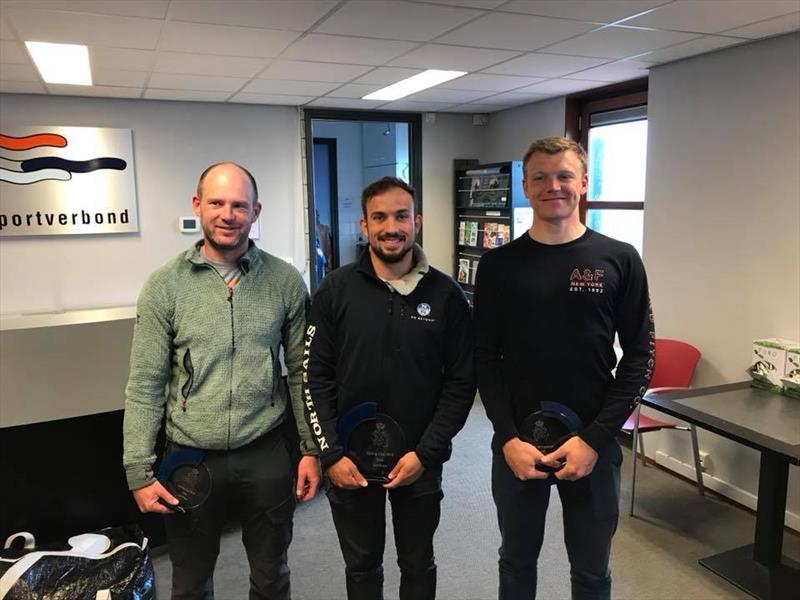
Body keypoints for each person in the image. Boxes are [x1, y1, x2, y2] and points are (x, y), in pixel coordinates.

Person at [122, 162, 320, 600]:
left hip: (265, 450)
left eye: (239, 205)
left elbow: (302, 372)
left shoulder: (285, 282)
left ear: (256, 212)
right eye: (216, 203)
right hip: (191, 457)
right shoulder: (165, 286)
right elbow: (145, 383)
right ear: (198, 205)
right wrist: (138, 469)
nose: (227, 214)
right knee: (190, 580)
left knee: (272, 575)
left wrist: (311, 448)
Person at [473, 137, 655, 600]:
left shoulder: (619, 259)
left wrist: (596, 440)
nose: (553, 186)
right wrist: (507, 437)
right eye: (540, 177)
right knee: (516, 562)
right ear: (525, 186)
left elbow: (639, 356)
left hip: (592, 443)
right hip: (517, 445)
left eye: (564, 176)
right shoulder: (498, 265)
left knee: (592, 571)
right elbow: (483, 357)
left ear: (584, 183)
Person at [302, 176, 475, 600]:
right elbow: (313, 376)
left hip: (419, 459)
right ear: (364, 225)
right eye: (379, 217)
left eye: (401, 216)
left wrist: (428, 452)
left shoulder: (446, 295)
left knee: (417, 564)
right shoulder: (335, 291)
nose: (390, 227)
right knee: (361, 568)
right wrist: (331, 453)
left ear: (416, 222)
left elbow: (461, 381)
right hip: (350, 462)